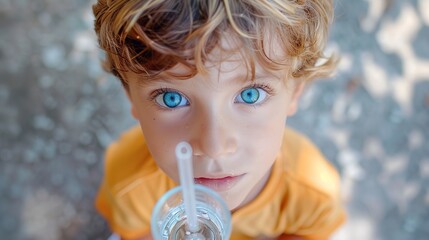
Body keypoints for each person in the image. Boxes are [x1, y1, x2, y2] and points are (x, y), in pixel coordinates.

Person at [92, 0, 346, 239]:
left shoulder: (312, 193)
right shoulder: (129, 187)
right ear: (130, 95)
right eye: (171, 98)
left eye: (250, 94)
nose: (214, 147)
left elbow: (310, 232)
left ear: (296, 91)